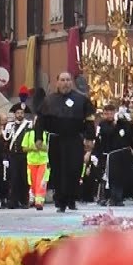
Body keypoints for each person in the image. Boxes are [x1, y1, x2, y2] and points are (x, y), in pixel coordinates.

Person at [36, 72, 95, 212]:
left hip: (75, 140)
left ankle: (72, 200)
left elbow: (89, 121)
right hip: (56, 140)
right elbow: (40, 122)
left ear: (71, 82)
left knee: (74, 169)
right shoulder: (49, 100)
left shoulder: (81, 99)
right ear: (57, 82)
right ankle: (61, 201)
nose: (65, 83)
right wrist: (38, 138)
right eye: (62, 80)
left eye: (68, 80)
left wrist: (89, 138)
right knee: (58, 171)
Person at [20, 112, 50, 210]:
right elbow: (24, 148)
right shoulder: (28, 133)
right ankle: (32, 199)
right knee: (32, 182)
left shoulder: (46, 134)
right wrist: (33, 148)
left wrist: (41, 147)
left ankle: (39, 201)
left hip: (43, 161)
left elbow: (49, 148)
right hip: (31, 161)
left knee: (40, 182)